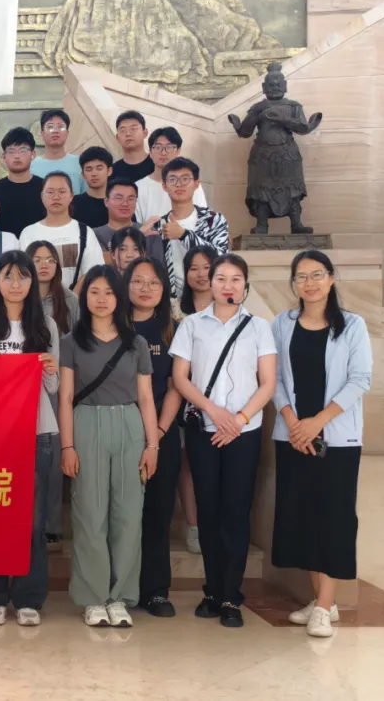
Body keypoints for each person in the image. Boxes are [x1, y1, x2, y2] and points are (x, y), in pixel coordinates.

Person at [170, 253, 277, 629]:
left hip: (244, 434)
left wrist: (240, 419)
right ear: (210, 283)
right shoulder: (192, 325)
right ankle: (212, 590)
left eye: (235, 279)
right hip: (204, 430)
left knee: (236, 512)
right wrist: (214, 412)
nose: (227, 285)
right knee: (209, 511)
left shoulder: (259, 327)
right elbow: (180, 378)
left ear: (245, 286)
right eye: (220, 278)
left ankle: (232, 595)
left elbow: (268, 382)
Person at [272, 250, 371, 638]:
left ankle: (325, 606)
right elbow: (274, 378)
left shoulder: (353, 325)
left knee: (332, 519)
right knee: (305, 519)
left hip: (337, 439)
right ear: (293, 283)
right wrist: (293, 422)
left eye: (317, 274)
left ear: (331, 278)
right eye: (301, 276)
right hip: (294, 437)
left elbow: (360, 379)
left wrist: (317, 422)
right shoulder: (283, 324)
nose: (309, 283)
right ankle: (321, 602)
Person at [59, 265, 158, 628]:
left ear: (120, 298)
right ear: (84, 297)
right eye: (94, 291)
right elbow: (65, 397)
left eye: (109, 292)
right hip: (87, 423)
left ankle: (120, 597)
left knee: (129, 516)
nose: (101, 299)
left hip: (130, 426)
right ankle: (93, 596)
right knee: (90, 514)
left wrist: (152, 445)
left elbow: (146, 398)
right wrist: (68, 447)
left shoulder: (136, 343)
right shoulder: (71, 342)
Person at [0, 251, 60, 626]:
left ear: (32, 283)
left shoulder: (46, 325)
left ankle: (28, 599)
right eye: (8, 276)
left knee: (32, 522)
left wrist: (49, 368)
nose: (16, 284)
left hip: (37, 431)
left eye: (23, 276)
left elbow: (52, 386)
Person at [125, 258, 184, 618]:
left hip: (162, 432)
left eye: (153, 283)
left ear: (164, 289)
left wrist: (157, 433)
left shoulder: (173, 329)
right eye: (138, 281)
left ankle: (156, 590)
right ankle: (121, 587)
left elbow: (177, 385)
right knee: (121, 515)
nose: (145, 289)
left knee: (158, 513)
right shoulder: (114, 323)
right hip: (119, 431)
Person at [26, 239, 79, 545]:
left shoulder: (69, 300)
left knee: (55, 458)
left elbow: (79, 342)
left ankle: (52, 525)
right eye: (36, 259)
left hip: (57, 384)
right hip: (22, 387)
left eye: (49, 260)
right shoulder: (20, 296)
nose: (43, 265)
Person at [173, 246, 217, 554]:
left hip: (220, 401)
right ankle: (193, 525)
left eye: (207, 267)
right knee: (185, 463)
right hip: (180, 396)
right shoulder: (174, 309)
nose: (201, 274)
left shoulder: (231, 308)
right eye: (193, 268)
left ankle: (214, 523)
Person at [155, 158, 230, 300]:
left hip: (210, 298)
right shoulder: (159, 226)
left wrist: (184, 235)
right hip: (172, 302)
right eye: (172, 179)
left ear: (196, 184)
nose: (179, 184)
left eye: (185, 179)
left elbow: (221, 257)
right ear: (164, 186)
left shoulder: (213, 220)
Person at [17, 172, 104, 294]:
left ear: (71, 196)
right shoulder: (29, 233)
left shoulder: (85, 232)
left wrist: (72, 298)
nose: (56, 197)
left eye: (62, 192)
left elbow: (94, 270)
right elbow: (23, 272)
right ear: (42, 196)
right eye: (50, 192)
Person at [134, 127, 207, 223]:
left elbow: (204, 221)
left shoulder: (191, 185)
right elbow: (136, 227)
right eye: (158, 147)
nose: (163, 152)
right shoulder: (138, 187)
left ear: (178, 151)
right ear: (150, 152)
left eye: (169, 147)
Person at [94, 179, 163, 267]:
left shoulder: (150, 232)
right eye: (119, 198)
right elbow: (98, 263)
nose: (125, 204)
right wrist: (138, 235)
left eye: (130, 199)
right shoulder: (94, 235)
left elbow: (157, 268)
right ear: (106, 201)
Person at [0, 127, 45, 238]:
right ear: (4, 157)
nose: (17, 156)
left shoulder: (45, 188)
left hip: (39, 246)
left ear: (33, 154)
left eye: (23, 150)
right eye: (11, 151)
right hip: (4, 247)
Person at [32, 109, 83, 194]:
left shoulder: (80, 163)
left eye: (61, 127)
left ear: (67, 134)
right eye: (50, 127)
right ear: (42, 134)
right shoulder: (31, 166)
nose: (55, 131)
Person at [70, 147, 113, 228]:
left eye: (99, 168)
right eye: (89, 169)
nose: (94, 174)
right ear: (83, 175)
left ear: (109, 171)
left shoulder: (118, 203)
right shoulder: (72, 204)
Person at [111, 111, 152, 183]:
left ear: (145, 133)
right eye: (123, 130)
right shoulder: (111, 172)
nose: (128, 134)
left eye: (133, 129)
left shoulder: (158, 164)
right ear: (117, 138)